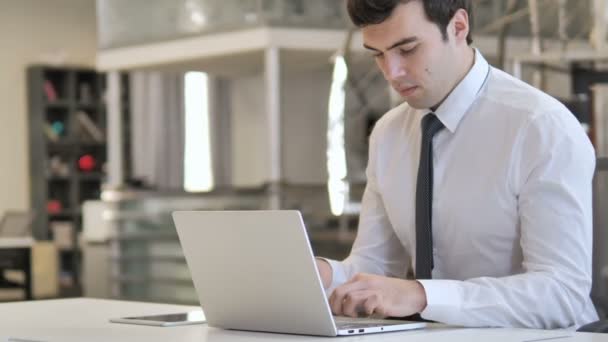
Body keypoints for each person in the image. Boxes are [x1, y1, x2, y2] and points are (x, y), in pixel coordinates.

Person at [315, 0, 599, 329]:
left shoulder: (540, 126)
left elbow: (561, 294)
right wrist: (318, 275)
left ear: (458, 27)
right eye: (377, 54)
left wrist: (421, 296)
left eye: (407, 49)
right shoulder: (389, 134)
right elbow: (374, 267)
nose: (391, 72)